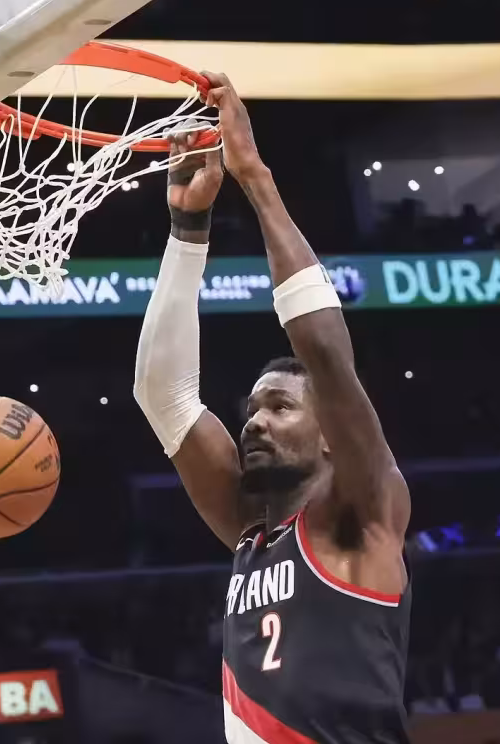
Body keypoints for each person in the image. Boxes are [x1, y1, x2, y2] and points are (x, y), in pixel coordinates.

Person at [133, 73, 412, 744]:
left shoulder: (363, 512)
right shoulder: (249, 530)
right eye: (252, 408)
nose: (254, 421)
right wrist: (187, 228)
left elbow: (323, 349)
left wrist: (253, 177)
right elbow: (162, 395)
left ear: (330, 436)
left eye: (280, 406)